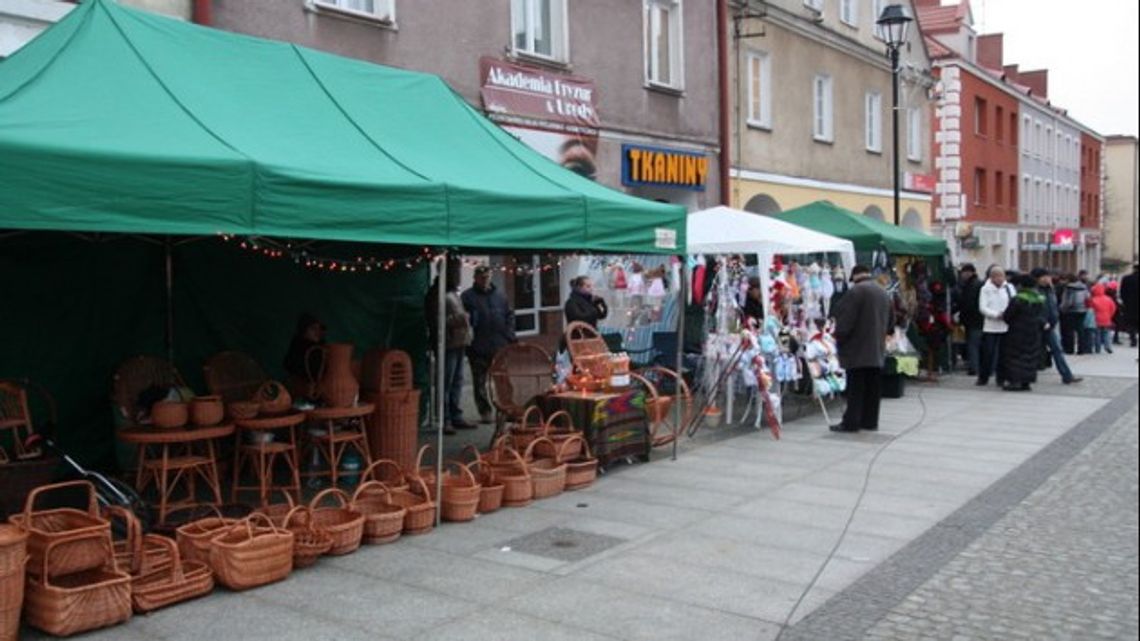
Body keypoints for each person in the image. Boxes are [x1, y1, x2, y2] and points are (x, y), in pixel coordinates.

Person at [830, 265, 893, 432]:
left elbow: (845, 322)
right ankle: (870, 421)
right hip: (877, 349)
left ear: (855, 277)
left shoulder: (855, 292)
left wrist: (838, 338)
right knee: (873, 388)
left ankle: (851, 422)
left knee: (856, 388)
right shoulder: (883, 292)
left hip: (857, 349)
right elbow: (892, 323)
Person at [461, 265, 516, 425]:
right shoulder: (467, 297)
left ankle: (507, 408)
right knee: (480, 382)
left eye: (487, 276)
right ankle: (485, 411)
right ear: (475, 278)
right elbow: (465, 321)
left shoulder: (500, 296)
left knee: (504, 380)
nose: (485, 280)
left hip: (500, 344)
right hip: (478, 346)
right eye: (482, 277)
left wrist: (509, 335)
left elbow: (509, 315)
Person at [426, 261, 475, 435]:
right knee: (445, 382)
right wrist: (458, 319)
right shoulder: (436, 293)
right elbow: (435, 321)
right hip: (446, 343)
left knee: (457, 380)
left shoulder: (453, 291)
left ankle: (456, 415)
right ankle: (444, 418)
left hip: (460, 341)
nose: (459, 275)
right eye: (456, 271)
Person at [1032, 268, 1081, 385]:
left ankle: (1067, 376)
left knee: (1057, 350)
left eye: (1048, 276)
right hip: (1038, 326)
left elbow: (1054, 306)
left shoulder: (1050, 290)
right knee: (1033, 351)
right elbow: (1034, 310)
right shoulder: (1035, 291)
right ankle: (1025, 375)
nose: (1047, 279)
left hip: (1050, 326)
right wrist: (1043, 322)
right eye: (1044, 276)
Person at [1000, 275, 1046, 392]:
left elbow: (1007, 316)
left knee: (1015, 357)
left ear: (1021, 285)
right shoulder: (1039, 299)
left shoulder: (1018, 299)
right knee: (1030, 356)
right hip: (1034, 333)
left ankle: (1015, 381)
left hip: (1017, 333)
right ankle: (1027, 382)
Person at [977, 266, 1015, 387]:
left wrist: (1008, 315)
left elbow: (1014, 303)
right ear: (991, 277)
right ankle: (983, 377)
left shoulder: (1009, 288)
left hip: (1006, 325)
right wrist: (996, 315)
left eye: (1001, 276)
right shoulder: (985, 289)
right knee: (988, 353)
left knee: (1004, 354)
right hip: (990, 326)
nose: (999, 279)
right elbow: (983, 307)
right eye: (996, 276)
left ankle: (1001, 377)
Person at [283, 313, 326, 402]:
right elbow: (290, 367)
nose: (317, 332)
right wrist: (303, 387)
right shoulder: (297, 347)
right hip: (300, 392)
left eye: (319, 329)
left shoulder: (323, 348)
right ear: (303, 330)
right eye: (313, 329)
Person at [956, 263, 984, 376]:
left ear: (969, 272)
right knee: (977, 344)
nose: (962, 275)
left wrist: (961, 315)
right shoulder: (977, 283)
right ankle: (977, 366)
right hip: (978, 319)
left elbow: (968, 304)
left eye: (963, 272)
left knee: (972, 344)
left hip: (973, 320)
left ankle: (974, 368)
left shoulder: (971, 285)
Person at [1059, 273, 1091, 355]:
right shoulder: (1084, 286)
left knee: (1070, 330)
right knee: (1080, 330)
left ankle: (1070, 349)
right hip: (1082, 310)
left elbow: (1067, 300)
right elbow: (1088, 297)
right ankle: (1081, 349)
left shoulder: (1069, 287)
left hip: (1071, 311)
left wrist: (1062, 308)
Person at [1088, 283, 1117, 355]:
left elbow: (1090, 310)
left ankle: (1098, 348)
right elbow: (1113, 308)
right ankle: (1108, 346)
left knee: (1097, 334)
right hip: (1107, 319)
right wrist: (1110, 315)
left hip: (1096, 320)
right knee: (1106, 333)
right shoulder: (1108, 299)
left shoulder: (1093, 300)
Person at [1120, 263, 1140, 348]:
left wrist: (1125, 302)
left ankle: (1133, 339)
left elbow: (1122, 292)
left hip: (1130, 305)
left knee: (1131, 323)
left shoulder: (1126, 279)